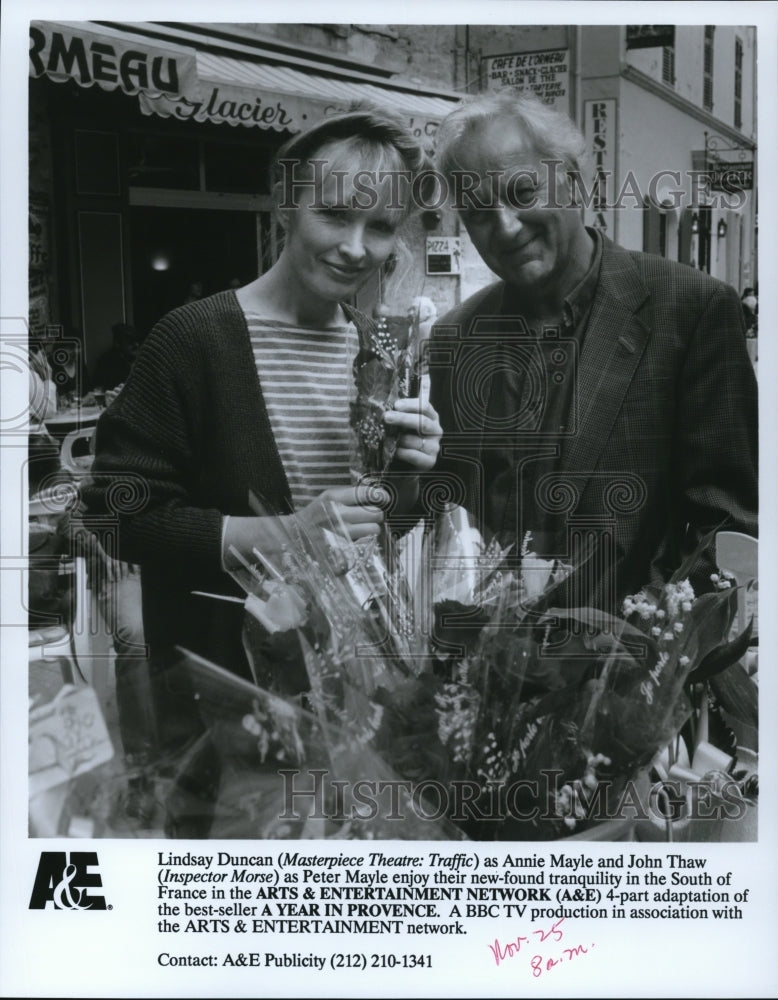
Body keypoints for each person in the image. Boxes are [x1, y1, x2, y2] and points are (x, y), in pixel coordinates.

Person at [84, 108, 442, 799]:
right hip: (224, 706)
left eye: (381, 228)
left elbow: (369, 524)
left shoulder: (381, 351)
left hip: (356, 700)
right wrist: (288, 535)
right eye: (335, 216)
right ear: (286, 205)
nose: (357, 248)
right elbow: (115, 517)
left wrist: (412, 467)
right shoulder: (193, 340)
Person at [427, 91, 758, 611]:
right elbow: (451, 518)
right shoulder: (454, 337)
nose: (506, 227)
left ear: (574, 182)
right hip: (487, 675)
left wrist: (654, 640)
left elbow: (727, 527)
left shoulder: (692, 311)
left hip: (635, 669)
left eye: (521, 192)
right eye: (478, 212)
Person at [91, 322, 140, 391]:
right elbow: (98, 389)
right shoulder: (105, 363)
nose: (136, 345)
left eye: (137, 340)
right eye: (131, 342)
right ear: (118, 344)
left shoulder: (142, 360)